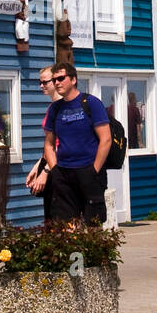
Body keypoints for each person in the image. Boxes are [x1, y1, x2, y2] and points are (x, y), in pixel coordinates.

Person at [41, 63, 112, 226]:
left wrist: (94, 169)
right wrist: (55, 170)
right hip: (64, 173)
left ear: (73, 79)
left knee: (93, 225)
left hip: (89, 170)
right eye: (54, 80)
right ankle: (73, 253)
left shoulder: (91, 103)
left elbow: (106, 139)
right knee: (67, 226)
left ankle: (94, 252)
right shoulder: (55, 108)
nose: (57, 83)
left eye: (60, 78)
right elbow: (49, 144)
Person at [26, 66, 62, 219]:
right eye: (39, 82)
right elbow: (50, 142)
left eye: (45, 82)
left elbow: (62, 145)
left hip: (60, 168)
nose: (41, 86)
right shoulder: (52, 108)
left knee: (58, 216)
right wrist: (38, 165)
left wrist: (46, 172)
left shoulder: (64, 108)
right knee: (49, 216)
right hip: (49, 162)